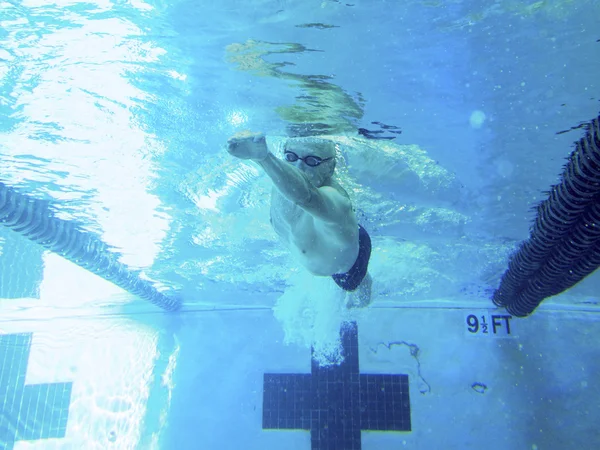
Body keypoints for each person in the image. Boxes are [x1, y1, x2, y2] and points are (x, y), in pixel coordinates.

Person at [227, 130, 372, 306]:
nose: (298, 168)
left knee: (354, 289)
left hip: (347, 262)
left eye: (312, 161)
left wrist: (263, 158)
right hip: (326, 242)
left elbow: (306, 196)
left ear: (330, 167)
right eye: (290, 157)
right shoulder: (282, 180)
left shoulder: (336, 200)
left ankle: (362, 297)